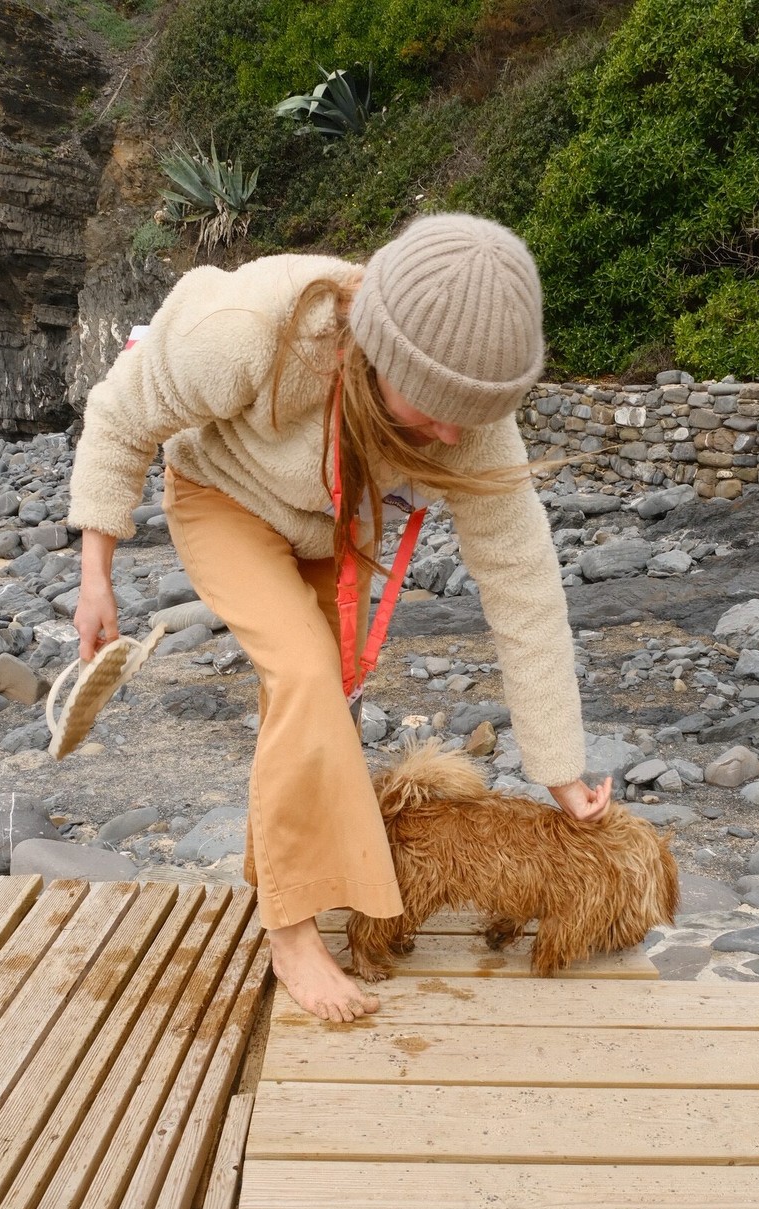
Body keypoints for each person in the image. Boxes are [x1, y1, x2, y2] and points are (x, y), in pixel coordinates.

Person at [68, 212, 612, 1024]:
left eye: (473, 414)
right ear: (375, 349)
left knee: (323, 706)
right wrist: (96, 574)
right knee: (305, 671)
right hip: (225, 496)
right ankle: (289, 932)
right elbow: (122, 414)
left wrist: (560, 765)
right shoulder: (249, 329)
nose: (453, 434)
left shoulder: (470, 417)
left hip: (333, 522)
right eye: (434, 407)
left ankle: (281, 881)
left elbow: (524, 586)